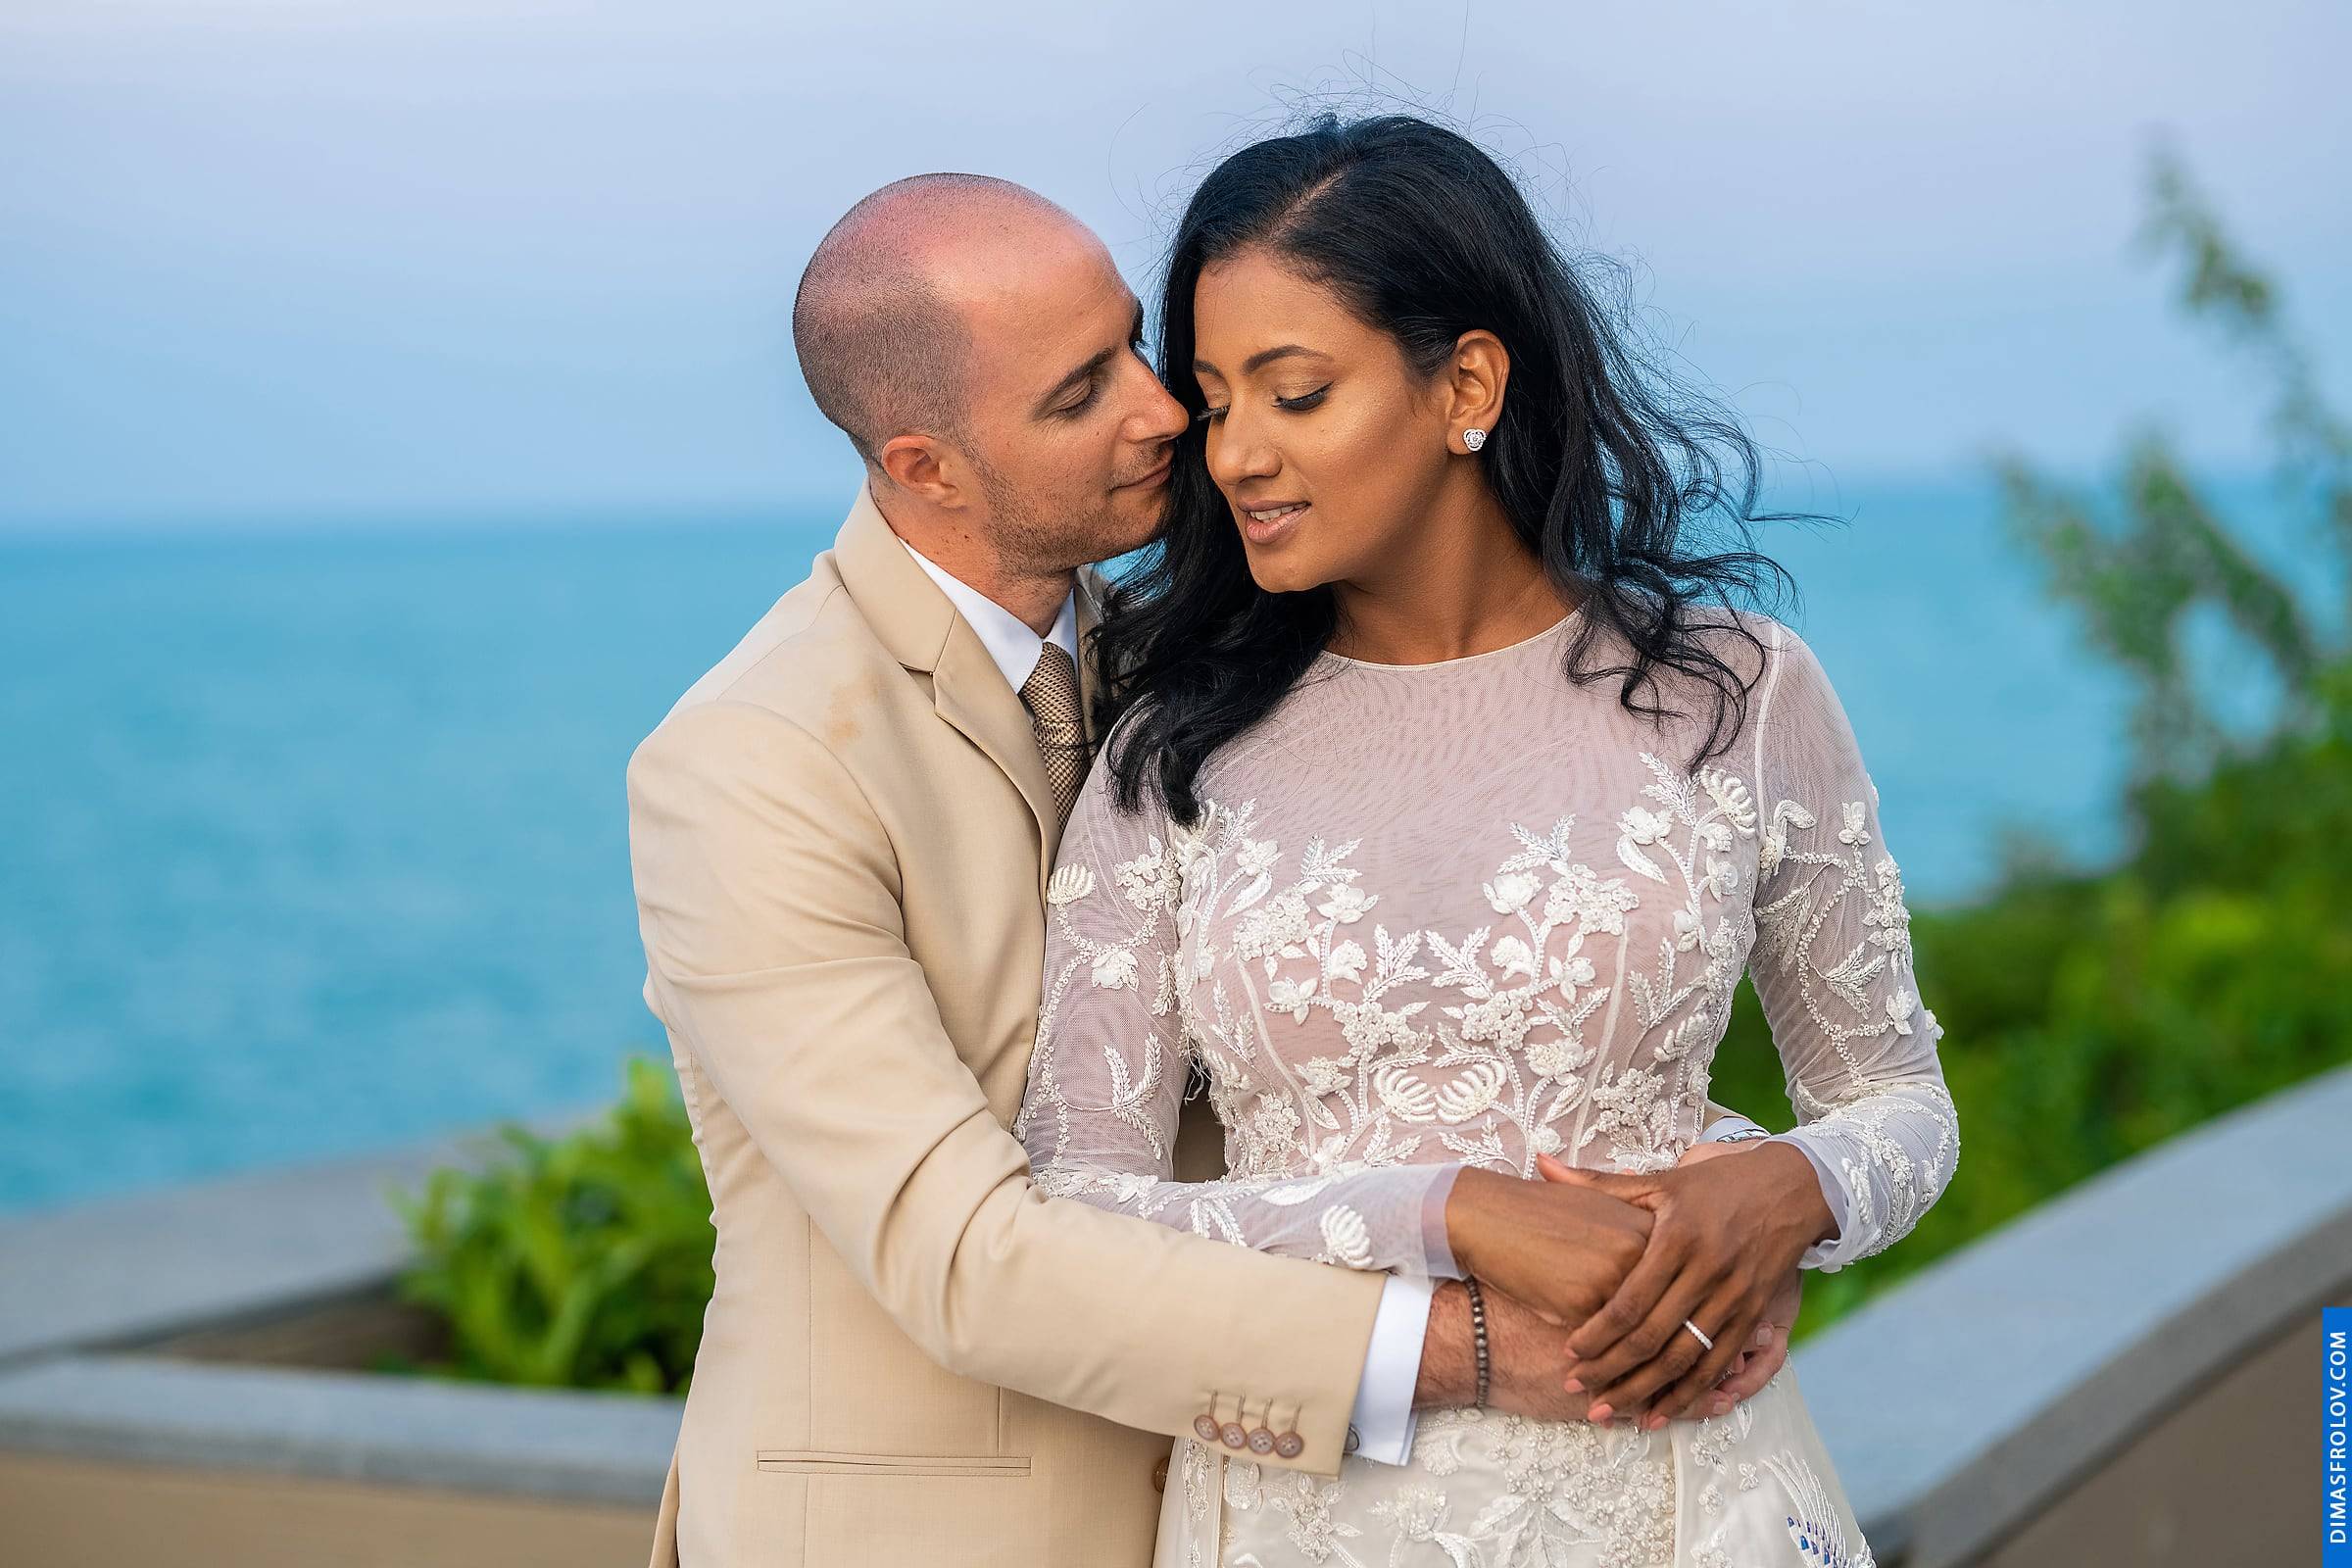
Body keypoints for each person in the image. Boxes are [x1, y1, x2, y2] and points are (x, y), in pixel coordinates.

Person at [623, 172, 1801, 1567]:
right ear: (926, 467)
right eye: (1081, 396)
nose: (1167, 412)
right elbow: (965, 1259)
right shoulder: (752, 762)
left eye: (1135, 344)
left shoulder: (1212, 664)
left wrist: (1711, 1225)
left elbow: (1430, 1002)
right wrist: (1472, 1342)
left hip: (1258, 1512)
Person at [1014, 114, 1960, 1566]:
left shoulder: (1735, 691)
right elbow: (1076, 1213)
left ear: (1466, 384)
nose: (1237, 454)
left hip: (1688, 1500)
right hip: (1308, 1521)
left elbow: (1898, 1099)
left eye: (1295, 393)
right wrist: (1447, 1212)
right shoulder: (1175, 753)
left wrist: (1792, 1188)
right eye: (1212, 402)